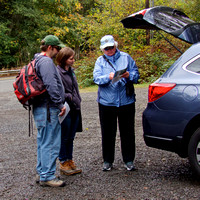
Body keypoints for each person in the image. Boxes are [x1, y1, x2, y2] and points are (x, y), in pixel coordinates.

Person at [93, 35, 139, 171]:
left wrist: (129, 75)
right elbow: (96, 78)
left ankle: (129, 160)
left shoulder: (126, 57)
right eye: (106, 48)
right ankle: (107, 161)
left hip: (126, 101)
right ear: (102, 49)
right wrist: (108, 77)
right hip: (107, 103)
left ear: (115, 45)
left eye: (111, 47)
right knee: (107, 133)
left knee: (128, 132)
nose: (109, 50)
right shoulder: (100, 61)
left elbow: (137, 75)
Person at [32, 35, 66, 187]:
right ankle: (48, 176)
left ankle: (43, 172)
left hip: (41, 108)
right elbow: (51, 85)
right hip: (48, 109)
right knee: (51, 142)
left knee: (43, 141)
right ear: (50, 47)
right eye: (57, 48)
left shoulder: (36, 60)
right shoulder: (46, 61)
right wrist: (60, 104)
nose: (58, 51)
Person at [56, 47, 82, 176]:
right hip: (65, 107)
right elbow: (58, 90)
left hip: (75, 107)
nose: (73, 60)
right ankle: (63, 161)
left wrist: (77, 99)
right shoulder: (58, 72)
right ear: (64, 59)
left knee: (71, 136)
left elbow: (75, 88)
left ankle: (70, 160)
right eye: (71, 58)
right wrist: (69, 97)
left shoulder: (71, 71)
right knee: (64, 136)